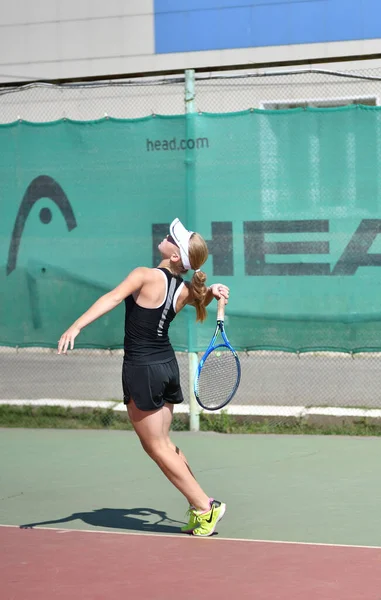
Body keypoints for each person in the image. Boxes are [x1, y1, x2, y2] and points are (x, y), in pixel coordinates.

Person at [58, 218, 230, 537]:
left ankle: (206, 509)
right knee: (165, 445)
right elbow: (200, 298)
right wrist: (211, 292)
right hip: (166, 367)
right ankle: (202, 503)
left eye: (171, 238)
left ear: (176, 255)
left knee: (157, 448)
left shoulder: (144, 275)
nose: (165, 237)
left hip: (142, 368)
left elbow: (111, 298)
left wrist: (77, 326)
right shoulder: (185, 288)